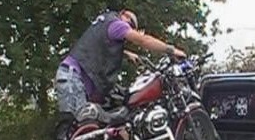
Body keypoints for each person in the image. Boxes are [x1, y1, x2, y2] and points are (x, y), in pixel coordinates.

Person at [55, 9, 186, 118]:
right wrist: (171, 50)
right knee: (82, 125)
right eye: (131, 24)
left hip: (71, 77)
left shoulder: (105, 21)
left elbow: (100, 46)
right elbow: (143, 40)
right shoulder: (117, 25)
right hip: (73, 78)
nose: (130, 28)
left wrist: (127, 54)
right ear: (124, 15)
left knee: (85, 127)